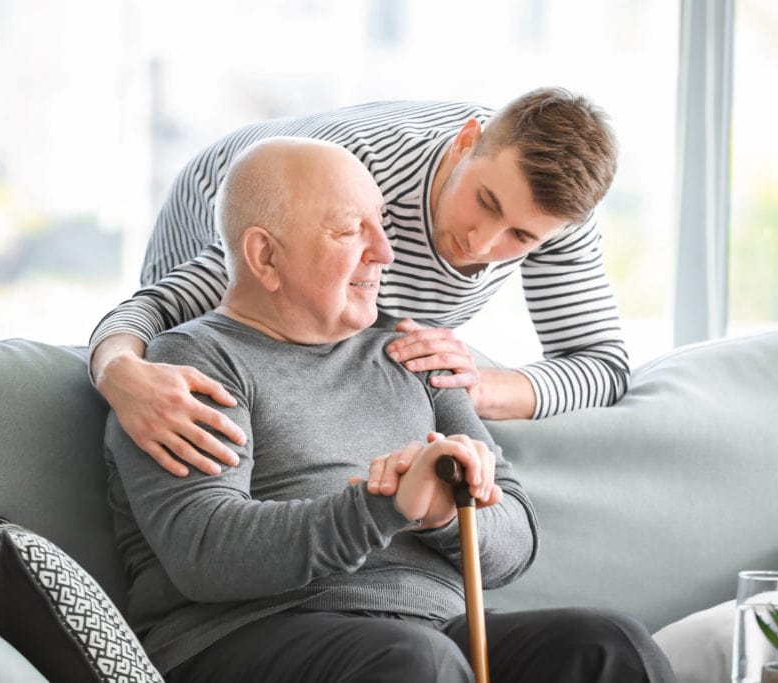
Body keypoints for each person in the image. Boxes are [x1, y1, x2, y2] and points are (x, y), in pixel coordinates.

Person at [103, 138, 674, 682]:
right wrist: (387, 506)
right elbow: (206, 552)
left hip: (430, 633)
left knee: (610, 649)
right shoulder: (186, 367)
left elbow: (515, 536)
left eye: (382, 223)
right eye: (352, 230)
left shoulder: (413, 353)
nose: (385, 252)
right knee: (418, 663)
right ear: (264, 255)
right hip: (245, 635)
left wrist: (446, 514)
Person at [92, 87, 631, 477]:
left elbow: (602, 365)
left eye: (520, 236)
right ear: (467, 142)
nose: (483, 244)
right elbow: (155, 310)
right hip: (229, 192)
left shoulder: (559, 214)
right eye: (485, 203)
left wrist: (482, 387)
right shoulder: (361, 182)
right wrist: (120, 373)